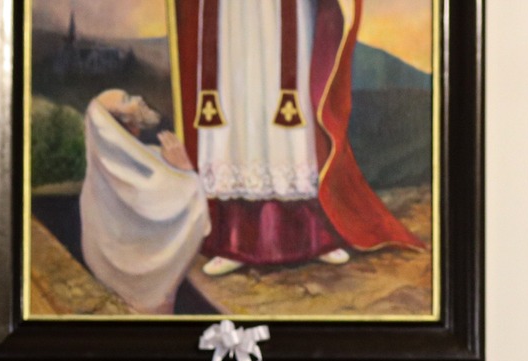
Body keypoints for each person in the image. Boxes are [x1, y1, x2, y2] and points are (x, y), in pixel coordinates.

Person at [171, 0, 420, 274]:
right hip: (232, 13)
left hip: (288, 11)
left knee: (294, 113)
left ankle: (313, 236)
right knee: (239, 102)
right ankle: (234, 239)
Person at [79, 90, 211, 314]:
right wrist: (186, 171)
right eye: (127, 100)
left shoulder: (149, 155)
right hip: (149, 303)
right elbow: (188, 204)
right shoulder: (133, 179)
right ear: (116, 126)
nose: (138, 99)